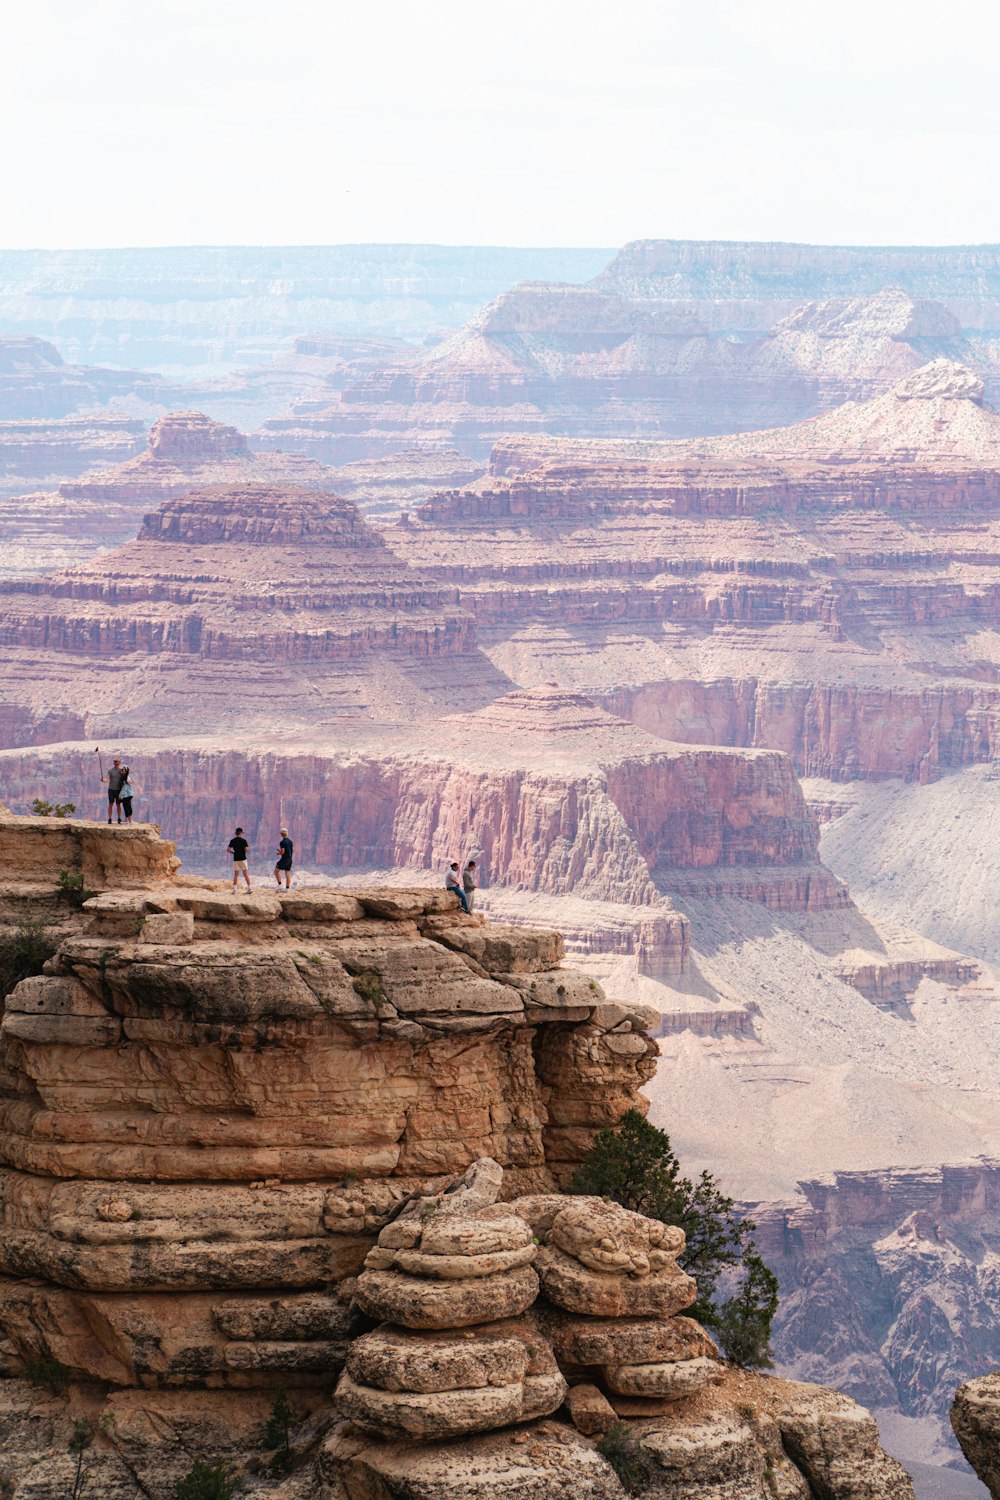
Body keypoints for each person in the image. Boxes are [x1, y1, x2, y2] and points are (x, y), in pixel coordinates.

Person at [102, 756, 126, 824]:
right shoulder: (110, 770)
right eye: (114, 761)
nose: (115, 762)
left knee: (118, 804)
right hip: (111, 789)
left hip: (119, 790)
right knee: (110, 804)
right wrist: (104, 780)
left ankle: (119, 818)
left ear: (120, 762)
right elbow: (107, 777)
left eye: (117, 761)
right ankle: (110, 819)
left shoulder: (121, 771)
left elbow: (125, 777)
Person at [228, 826, 252, 891]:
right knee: (246, 874)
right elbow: (246, 849)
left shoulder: (232, 841)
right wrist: (242, 853)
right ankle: (249, 888)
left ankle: (235, 889)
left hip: (236, 859)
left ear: (236, 833)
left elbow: (228, 850)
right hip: (243, 859)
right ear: (241, 833)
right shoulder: (244, 841)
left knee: (236, 874)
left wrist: (233, 853)